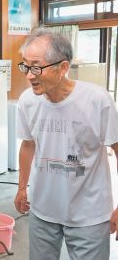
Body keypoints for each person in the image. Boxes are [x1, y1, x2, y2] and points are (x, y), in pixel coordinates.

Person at [14, 28, 118, 260]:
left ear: (63, 67)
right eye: (26, 66)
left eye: (37, 67)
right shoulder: (28, 101)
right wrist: (22, 187)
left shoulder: (97, 100)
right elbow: (28, 145)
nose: (30, 75)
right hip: (42, 210)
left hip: (89, 214)